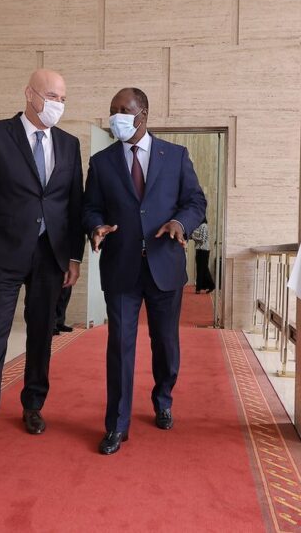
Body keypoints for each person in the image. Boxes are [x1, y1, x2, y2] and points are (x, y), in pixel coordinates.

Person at [0, 69, 84, 455]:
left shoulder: (70, 143)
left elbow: (73, 204)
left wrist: (74, 255)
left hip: (51, 256)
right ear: (30, 94)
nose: (57, 105)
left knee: (42, 334)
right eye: (51, 96)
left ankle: (33, 404)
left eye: (63, 98)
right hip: (2, 256)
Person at [82, 87, 206, 455]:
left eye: (125, 110)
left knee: (165, 343)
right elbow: (90, 208)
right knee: (120, 345)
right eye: (112, 109)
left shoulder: (176, 156)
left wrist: (180, 223)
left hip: (164, 264)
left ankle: (163, 397)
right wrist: (96, 226)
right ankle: (117, 424)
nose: (117, 115)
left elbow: (196, 201)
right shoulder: (102, 162)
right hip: (121, 267)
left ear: (144, 114)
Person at [191, 219, 215, 294]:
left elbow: (202, 239)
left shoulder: (204, 226)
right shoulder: (199, 226)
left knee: (202, 269)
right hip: (200, 249)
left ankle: (199, 288)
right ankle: (210, 285)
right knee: (203, 269)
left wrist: (192, 236)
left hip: (203, 250)